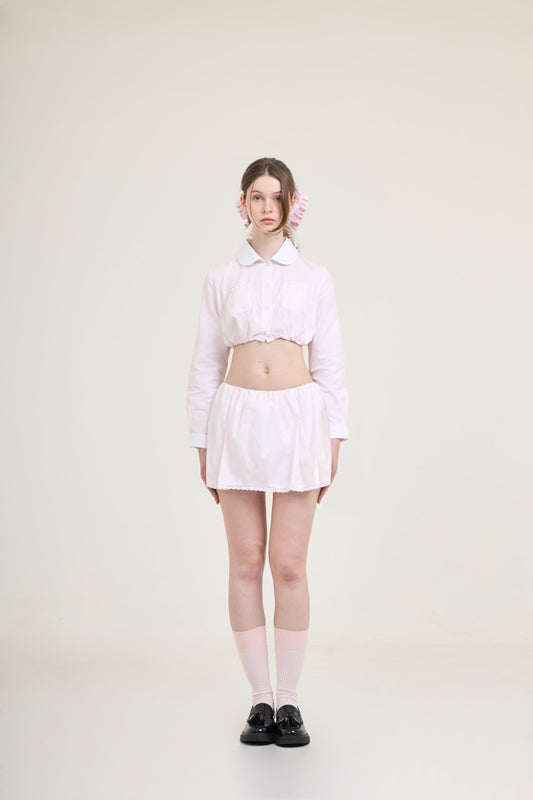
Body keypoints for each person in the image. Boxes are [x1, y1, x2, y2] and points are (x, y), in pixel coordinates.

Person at [186, 157, 349, 747]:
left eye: (277, 197)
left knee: (288, 564)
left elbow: (331, 364)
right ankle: (259, 699)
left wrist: (334, 437)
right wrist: (202, 441)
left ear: (292, 204)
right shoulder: (221, 279)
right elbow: (205, 365)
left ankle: (290, 701)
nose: (267, 207)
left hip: (299, 422)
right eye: (257, 196)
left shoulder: (314, 278)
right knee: (246, 561)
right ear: (243, 204)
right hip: (236, 423)